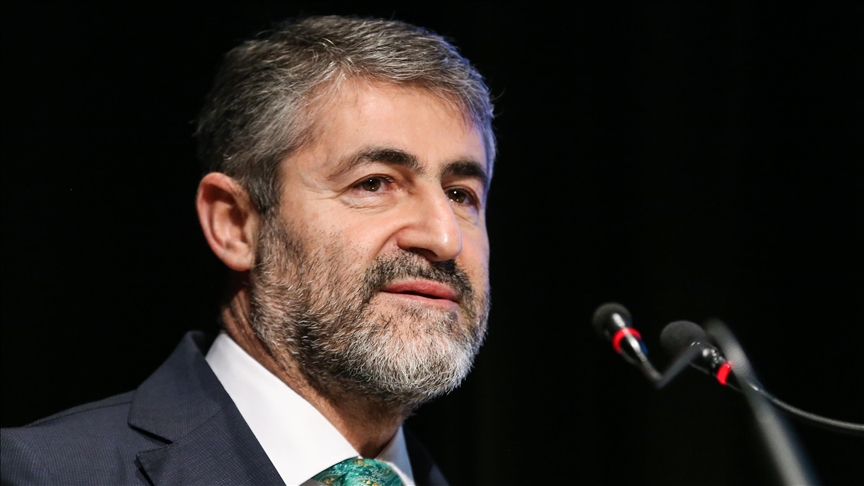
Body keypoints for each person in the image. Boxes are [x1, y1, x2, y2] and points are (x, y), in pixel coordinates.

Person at [0, 15, 494, 486]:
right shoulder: (40, 473)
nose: (444, 238)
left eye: (460, 194)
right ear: (236, 225)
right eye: (373, 183)